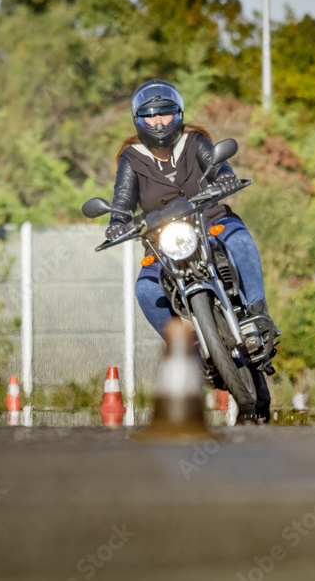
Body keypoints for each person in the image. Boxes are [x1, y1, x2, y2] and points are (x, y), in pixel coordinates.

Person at [106, 79, 278, 422]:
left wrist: (225, 178)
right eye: (150, 117)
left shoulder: (194, 141)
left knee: (240, 241)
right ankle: (188, 351)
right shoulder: (131, 158)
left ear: (178, 115)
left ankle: (257, 317)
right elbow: (122, 203)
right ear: (138, 120)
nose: (159, 123)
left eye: (166, 116)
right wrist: (117, 223)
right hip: (162, 241)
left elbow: (218, 167)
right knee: (145, 288)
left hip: (210, 221)